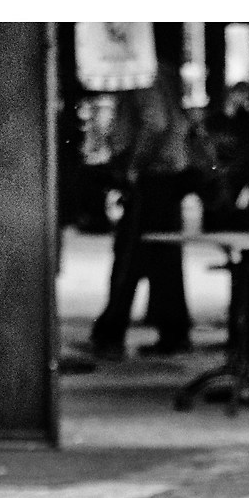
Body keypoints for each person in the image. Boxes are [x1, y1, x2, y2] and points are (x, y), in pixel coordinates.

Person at [88, 80, 193, 360]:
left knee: (130, 254)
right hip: (166, 176)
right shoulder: (164, 74)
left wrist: (134, 164)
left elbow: (155, 123)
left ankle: (110, 332)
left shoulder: (142, 77)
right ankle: (174, 332)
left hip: (152, 176)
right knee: (164, 255)